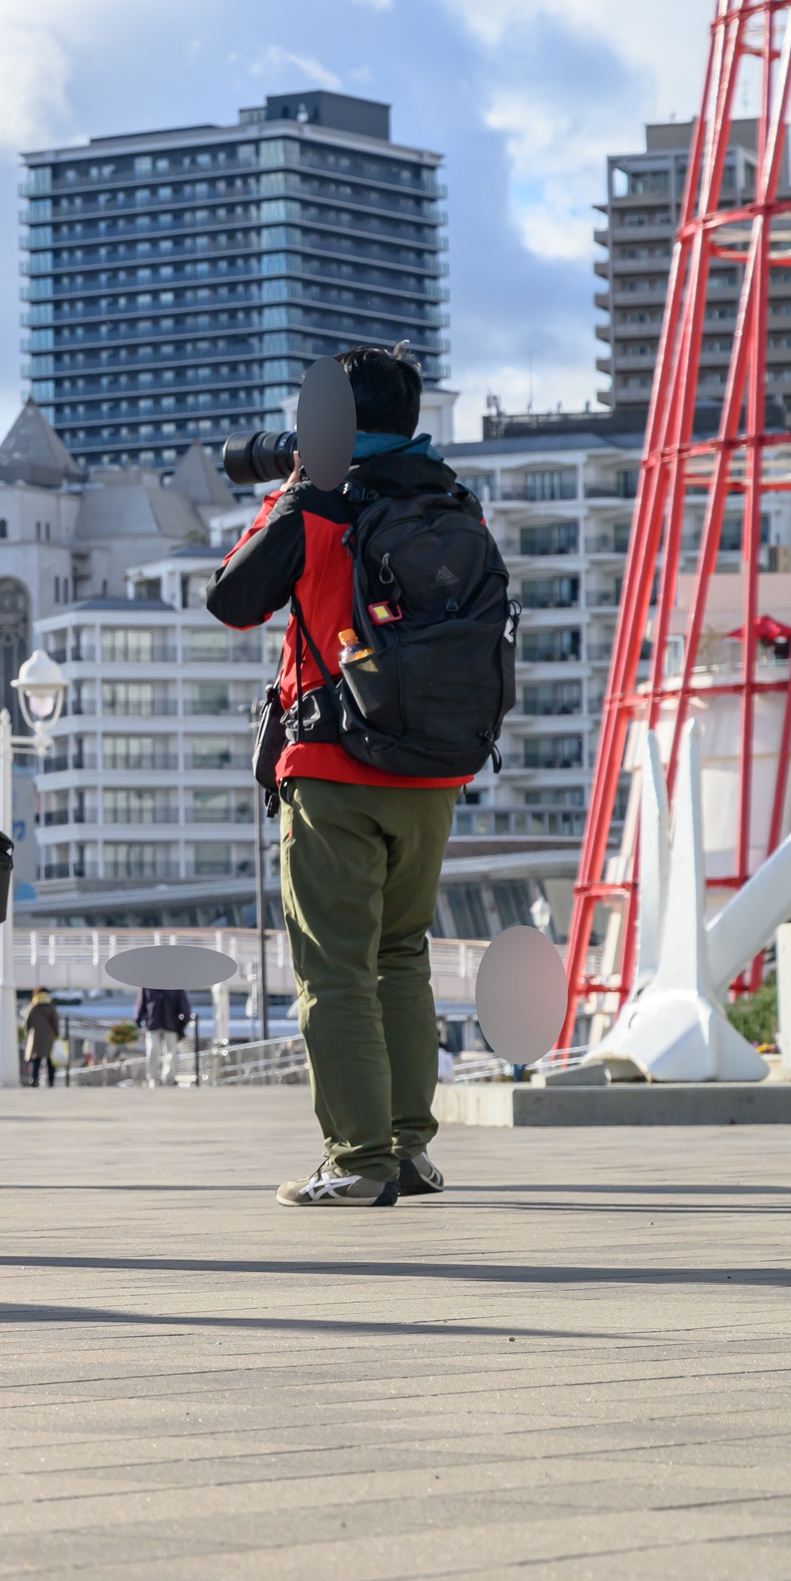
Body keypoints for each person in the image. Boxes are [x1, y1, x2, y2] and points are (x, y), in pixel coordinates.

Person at [209, 346, 479, 1207]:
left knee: (335, 970)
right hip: (434, 774)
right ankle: (408, 1149)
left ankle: (358, 1159)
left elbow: (232, 599)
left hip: (334, 767)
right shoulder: (448, 496)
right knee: (402, 956)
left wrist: (291, 490)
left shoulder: (319, 502)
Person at [137, 987, 193, 1087]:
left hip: (171, 1024)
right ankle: (153, 1080)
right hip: (153, 1025)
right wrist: (138, 1020)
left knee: (171, 1053)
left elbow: (184, 1005)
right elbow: (141, 1004)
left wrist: (183, 1023)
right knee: (153, 1050)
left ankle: (169, 1080)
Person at [22, 991, 61, 1089]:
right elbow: (55, 1023)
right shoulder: (51, 1007)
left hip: (36, 1037)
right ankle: (51, 1082)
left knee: (36, 1060)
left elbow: (27, 1023)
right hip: (49, 1037)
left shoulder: (32, 1006)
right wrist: (56, 1035)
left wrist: (29, 1033)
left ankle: (34, 1080)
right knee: (50, 1062)